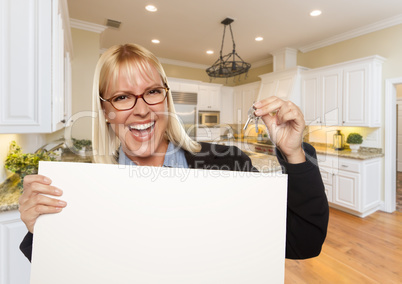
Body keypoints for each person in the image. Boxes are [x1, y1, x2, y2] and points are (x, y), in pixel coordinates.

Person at [19, 43, 329, 262]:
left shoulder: (230, 163)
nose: (142, 110)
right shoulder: (83, 187)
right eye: (123, 96)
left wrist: (293, 153)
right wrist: (41, 230)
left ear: (166, 98)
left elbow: (304, 242)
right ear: (105, 109)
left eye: (153, 91)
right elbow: (69, 268)